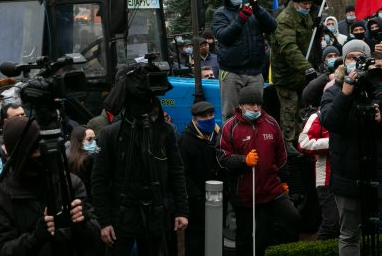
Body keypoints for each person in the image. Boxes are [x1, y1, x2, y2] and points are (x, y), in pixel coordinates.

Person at [319, 39, 382, 255]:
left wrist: (380, 118)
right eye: (351, 57)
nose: (356, 62)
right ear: (343, 62)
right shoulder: (333, 91)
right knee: (349, 235)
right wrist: (345, 94)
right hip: (348, 179)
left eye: (361, 58)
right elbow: (329, 121)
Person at [92, 63, 188, 256]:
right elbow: (99, 180)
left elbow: (176, 171)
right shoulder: (111, 135)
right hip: (121, 216)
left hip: (156, 215)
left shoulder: (164, 131)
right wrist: (105, 222)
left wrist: (181, 211)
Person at [0, 116, 101, 255]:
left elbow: (93, 241)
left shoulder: (70, 183)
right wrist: (35, 238)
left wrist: (83, 223)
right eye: (36, 150)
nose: (43, 155)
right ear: (20, 153)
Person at [218, 86, 300, 256]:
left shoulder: (271, 123)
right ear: (241, 106)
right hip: (244, 193)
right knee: (245, 236)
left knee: (292, 219)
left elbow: (282, 155)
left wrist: (284, 180)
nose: (255, 108)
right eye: (251, 105)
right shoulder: (229, 128)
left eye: (258, 105)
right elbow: (222, 158)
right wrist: (244, 160)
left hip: (270, 189)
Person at [212, 0, 277, 120]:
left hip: (254, 72)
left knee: (256, 112)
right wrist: (241, 18)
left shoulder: (255, 12)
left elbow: (272, 26)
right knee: (231, 114)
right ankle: (231, 140)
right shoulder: (221, 14)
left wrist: (258, 9)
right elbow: (224, 36)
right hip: (231, 72)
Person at [271, 0, 316, 142]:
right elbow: (289, 48)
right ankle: (287, 142)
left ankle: (301, 140)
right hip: (286, 75)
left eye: (309, 4)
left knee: (302, 110)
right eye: (305, 4)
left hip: (300, 75)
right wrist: (307, 68)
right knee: (289, 109)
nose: (308, 7)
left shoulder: (305, 16)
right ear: (295, 3)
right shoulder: (285, 20)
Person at [178, 101, 223, 256]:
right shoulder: (186, 140)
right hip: (196, 201)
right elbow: (183, 172)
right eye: (204, 116)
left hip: (218, 198)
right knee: (196, 242)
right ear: (195, 119)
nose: (209, 119)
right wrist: (197, 195)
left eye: (211, 115)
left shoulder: (218, 136)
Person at [298, 109, 339, 240]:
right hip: (326, 179)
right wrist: (332, 142)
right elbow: (303, 143)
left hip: (348, 177)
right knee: (331, 223)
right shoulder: (318, 116)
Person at [68, 125, 99, 203]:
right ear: (79, 142)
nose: (94, 142)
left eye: (94, 139)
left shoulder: (69, 159)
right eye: (89, 139)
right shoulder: (90, 159)